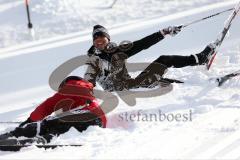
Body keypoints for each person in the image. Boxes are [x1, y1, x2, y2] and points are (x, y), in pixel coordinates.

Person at [84, 25, 216, 91]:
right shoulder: (94, 59)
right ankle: (200, 59)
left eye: (102, 39)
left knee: (167, 80)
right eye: (96, 40)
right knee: (163, 62)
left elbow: (142, 44)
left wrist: (163, 33)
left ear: (108, 40)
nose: (99, 42)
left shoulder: (116, 52)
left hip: (133, 85)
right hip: (125, 91)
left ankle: (199, 84)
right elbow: (89, 80)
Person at [0, 76, 106, 145]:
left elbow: (48, 106)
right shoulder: (88, 94)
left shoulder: (72, 86)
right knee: (61, 125)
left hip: (85, 116)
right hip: (97, 122)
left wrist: (30, 120)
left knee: (46, 124)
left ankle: (15, 134)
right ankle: (49, 136)